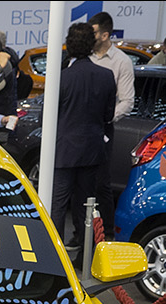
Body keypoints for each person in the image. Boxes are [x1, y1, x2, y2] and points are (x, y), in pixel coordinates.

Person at [50, 22, 115, 255]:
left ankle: (54, 258)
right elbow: (108, 115)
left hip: (64, 150)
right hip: (92, 149)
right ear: (92, 44)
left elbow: (49, 116)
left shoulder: (61, 78)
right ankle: (85, 256)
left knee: (58, 205)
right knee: (87, 205)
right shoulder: (106, 76)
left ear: (69, 44)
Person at [87, 11, 133, 234]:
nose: (89, 37)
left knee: (101, 183)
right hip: (80, 125)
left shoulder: (121, 61)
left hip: (102, 127)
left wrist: (105, 117)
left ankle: (105, 233)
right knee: (80, 183)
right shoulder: (84, 58)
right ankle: (81, 233)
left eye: (93, 33)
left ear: (105, 35)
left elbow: (127, 101)